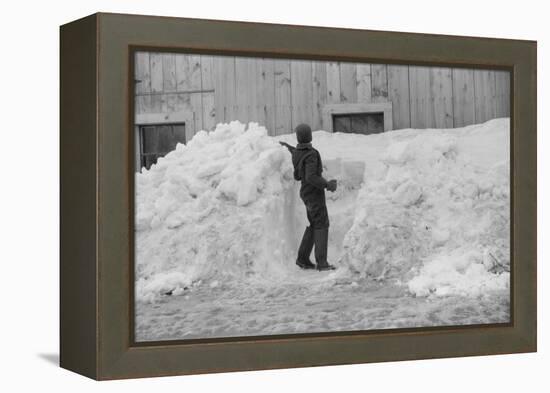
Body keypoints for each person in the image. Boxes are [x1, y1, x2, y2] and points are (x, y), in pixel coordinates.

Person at [280, 124, 337, 271]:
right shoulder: (310, 154)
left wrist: (288, 147)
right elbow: (311, 176)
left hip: (306, 194)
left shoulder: (299, 152)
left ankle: (303, 259)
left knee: (314, 223)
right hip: (314, 194)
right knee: (321, 224)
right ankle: (322, 263)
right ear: (310, 136)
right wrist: (327, 184)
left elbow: (297, 153)